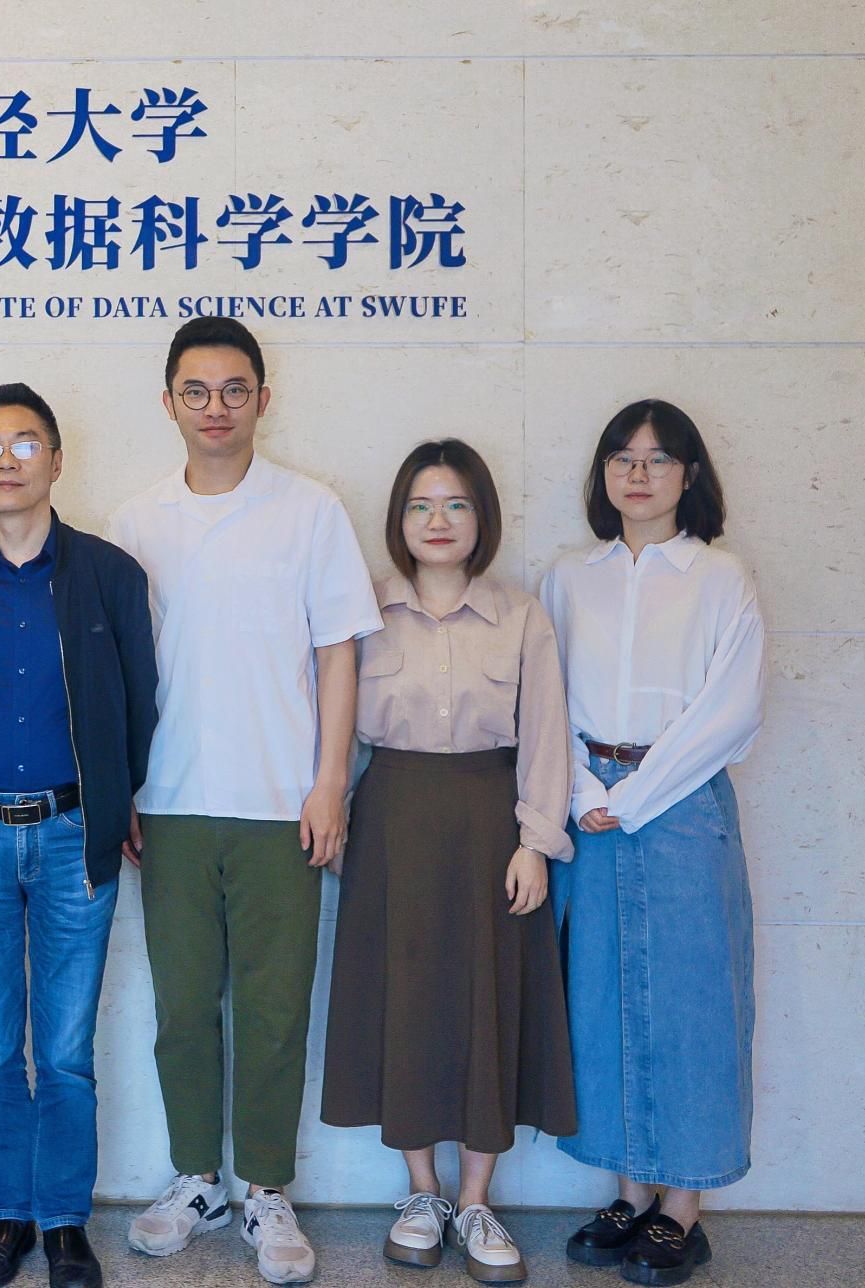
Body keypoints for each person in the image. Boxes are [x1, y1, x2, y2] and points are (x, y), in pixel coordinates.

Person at [108, 317, 382, 1285]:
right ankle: (197, 1179)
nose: (215, 407)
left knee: (272, 1010)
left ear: (263, 398)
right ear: (168, 401)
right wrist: (126, 786)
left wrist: (329, 783)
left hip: (281, 804)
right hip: (171, 803)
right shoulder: (137, 521)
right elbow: (123, 671)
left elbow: (339, 653)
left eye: (233, 389)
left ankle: (266, 1186)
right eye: (196, 390)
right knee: (183, 1007)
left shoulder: (310, 511)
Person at [318, 439, 577, 1283]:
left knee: (486, 1002)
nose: (438, 520)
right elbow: (330, 725)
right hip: (391, 822)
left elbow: (546, 736)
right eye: (421, 505)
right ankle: (421, 1193)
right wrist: (332, 813)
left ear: (481, 518)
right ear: (398, 519)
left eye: (456, 504)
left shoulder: (521, 616)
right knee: (407, 1003)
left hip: (490, 823)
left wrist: (535, 842)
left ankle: (475, 1200)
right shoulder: (363, 611)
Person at [0, 384, 157, 1288]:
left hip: (72, 835)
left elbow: (139, 701)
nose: (6, 460)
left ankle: (63, 1221)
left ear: (57, 459)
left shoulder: (109, 573)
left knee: (63, 1053)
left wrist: (117, 798)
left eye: (24, 443)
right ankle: (7, 1215)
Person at [542, 400, 762, 1287]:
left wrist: (633, 797)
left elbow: (731, 711)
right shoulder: (570, 576)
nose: (638, 474)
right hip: (588, 802)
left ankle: (682, 1208)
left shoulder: (721, 577)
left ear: (690, 475)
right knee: (599, 997)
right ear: (602, 472)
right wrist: (584, 790)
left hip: (681, 806)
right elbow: (543, 694)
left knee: (693, 1002)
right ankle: (629, 1194)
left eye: (659, 458)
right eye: (622, 457)